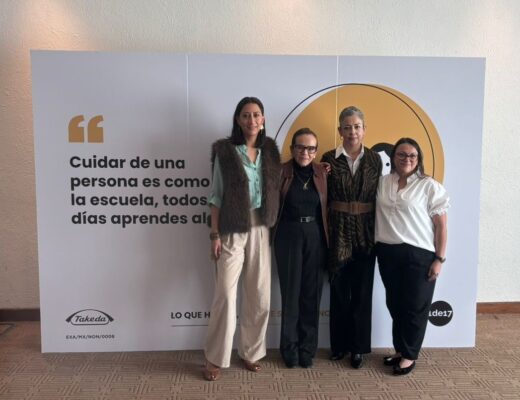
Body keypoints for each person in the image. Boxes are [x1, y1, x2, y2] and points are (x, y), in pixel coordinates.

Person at [203, 97, 281, 381]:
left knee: (259, 294)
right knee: (225, 294)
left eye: (256, 115)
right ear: (238, 119)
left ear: (263, 119)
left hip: (261, 228)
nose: (252, 120)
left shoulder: (270, 152)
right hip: (231, 230)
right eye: (246, 115)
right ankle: (215, 357)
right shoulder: (225, 152)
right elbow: (215, 196)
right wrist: (214, 234)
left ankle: (251, 352)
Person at [375, 137, 449, 375]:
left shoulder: (429, 186)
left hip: (419, 255)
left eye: (412, 155)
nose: (407, 159)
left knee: (415, 307)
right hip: (387, 252)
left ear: (418, 159)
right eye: (402, 154)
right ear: (393, 157)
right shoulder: (383, 182)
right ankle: (400, 350)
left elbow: (441, 226)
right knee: (395, 305)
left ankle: (409, 356)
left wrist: (439, 259)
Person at [321, 106, 382, 369]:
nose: (352, 132)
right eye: (347, 127)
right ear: (340, 130)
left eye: (357, 126)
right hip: (338, 231)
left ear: (364, 129)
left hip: (366, 232)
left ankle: (358, 348)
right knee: (338, 292)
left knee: (362, 292)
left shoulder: (375, 160)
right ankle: (339, 346)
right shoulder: (328, 158)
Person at [274, 128, 328, 369]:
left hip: (315, 235)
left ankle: (307, 349)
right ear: (292, 148)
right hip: (288, 235)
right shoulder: (280, 172)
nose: (305, 152)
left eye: (310, 148)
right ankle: (289, 348)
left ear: (316, 151)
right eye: (300, 147)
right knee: (291, 295)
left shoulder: (322, 173)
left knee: (311, 295)